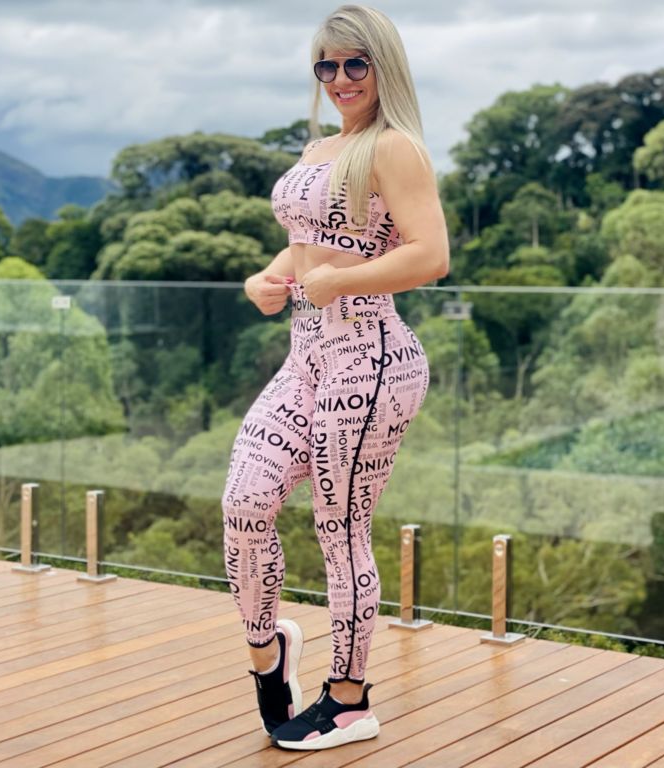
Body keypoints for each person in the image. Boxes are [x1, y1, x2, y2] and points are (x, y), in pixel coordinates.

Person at [220, 3, 450, 751]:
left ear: (383, 66)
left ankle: (350, 702)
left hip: (371, 361)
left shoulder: (394, 147)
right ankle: (269, 657)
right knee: (245, 501)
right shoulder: (323, 146)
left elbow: (430, 254)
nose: (341, 77)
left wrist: (342, 283)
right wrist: (267, 276)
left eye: (356, 63)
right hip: (307, 357)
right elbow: (307, 244)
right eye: (327, 64)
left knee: (340, 529)